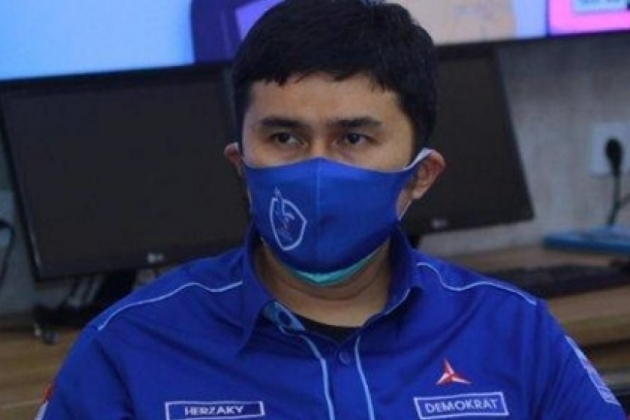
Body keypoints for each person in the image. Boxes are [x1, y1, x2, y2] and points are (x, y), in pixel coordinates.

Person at [37, 0, 626, 419]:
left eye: (353, 138)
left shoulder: (514, 332)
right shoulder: (127, 348)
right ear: (241, 164)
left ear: (420, 175)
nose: (316, 169)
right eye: (285, 137)